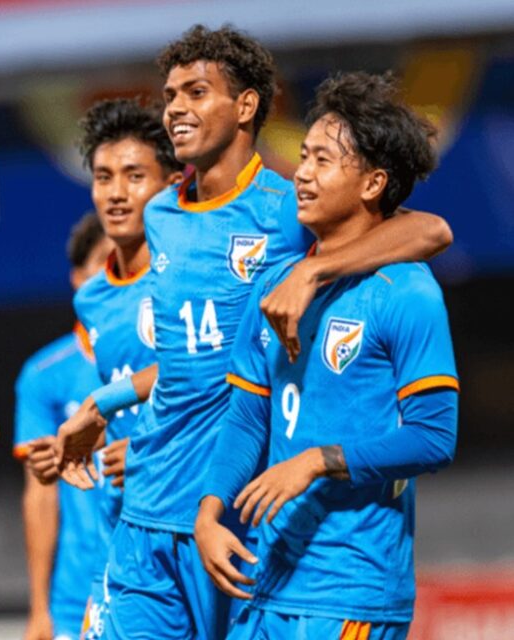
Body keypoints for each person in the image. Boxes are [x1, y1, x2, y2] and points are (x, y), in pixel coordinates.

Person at [56, 25, 453, 639]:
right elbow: (189, 362)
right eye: (170, 95)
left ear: (245, 106)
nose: (175, 108)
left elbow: (430, 231)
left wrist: (312, 270)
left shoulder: (288, 211)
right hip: (153, 506)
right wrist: (104, 402)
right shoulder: (161, 214)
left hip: (250, 526)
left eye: (196, 92)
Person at [195, 71, 458, 640]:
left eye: (323, 160)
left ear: (373, 183)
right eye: (303, 157)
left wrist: (318, 460)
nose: (302, 173)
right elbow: (248, 417)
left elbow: (434, 438)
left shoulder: (406, 293)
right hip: (266, 582)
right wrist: (210, 511)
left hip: (350, 591)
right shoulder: (275, 287)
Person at [73, 98, 184, 638]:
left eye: (134, 176)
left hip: (197, 516)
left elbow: (211, 374)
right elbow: (125, 412)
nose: (115, 193)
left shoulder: (190, 276)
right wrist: (79, 441)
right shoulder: (92, 298)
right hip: (125, 528)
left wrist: (144, 446)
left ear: (170, 184)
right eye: (103, 177)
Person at [14, 212, 112, 640]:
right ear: (77, 279)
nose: (116, 275)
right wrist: (40, 608)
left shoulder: (166, 357)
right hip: (76, 597)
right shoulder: (45, 375)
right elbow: (41, 494)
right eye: (105, 262)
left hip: (155, 581)